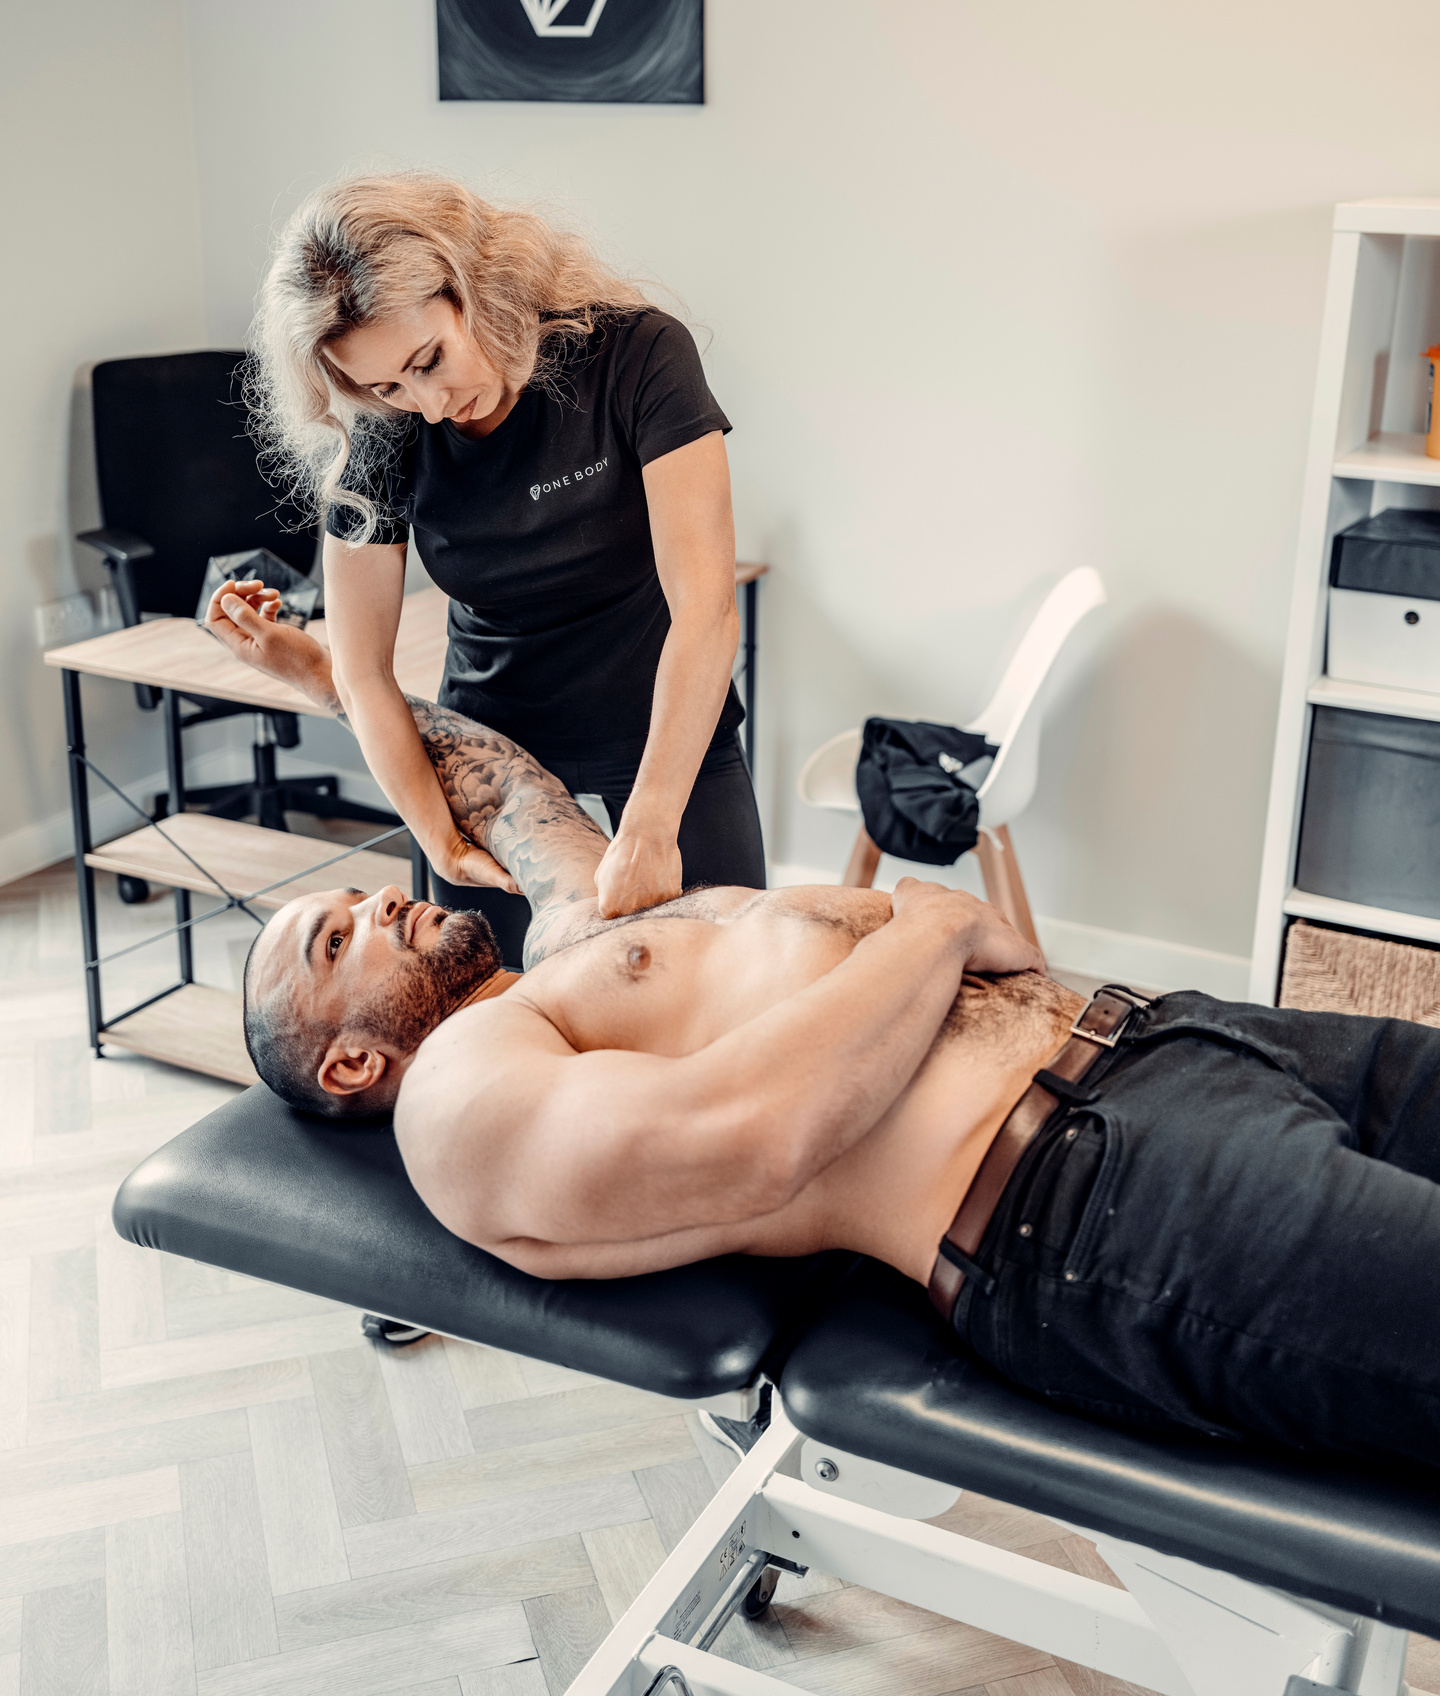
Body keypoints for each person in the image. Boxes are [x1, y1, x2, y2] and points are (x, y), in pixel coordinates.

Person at [214, 587, 1440, 1475]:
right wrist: (930, 929)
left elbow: (505, 785)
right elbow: (758, 1132)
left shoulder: (574, 941)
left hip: (1180, 1040)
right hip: (1086, 1195)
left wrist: (330, 675)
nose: (373, 898)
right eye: (336, 941)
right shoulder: (461, 1100)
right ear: (354, 1060)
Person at [246, 170, 764, 961]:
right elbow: (362, 671)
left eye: (429, 360)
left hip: (665, 737)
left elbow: (706, 611)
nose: (424, 404)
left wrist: (653, 823)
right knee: (503, 1021)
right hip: (490, 758)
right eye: (384, 384)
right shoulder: (383, 429)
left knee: (728, 998)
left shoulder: (637, 353)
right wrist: (440, 840)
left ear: (473, 285)